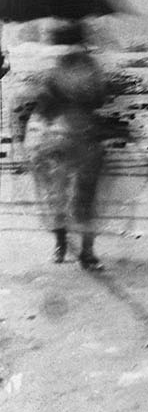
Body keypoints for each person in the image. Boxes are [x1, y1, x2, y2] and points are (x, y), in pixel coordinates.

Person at [20, 21, 112, 269]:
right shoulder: (90, 66)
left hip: (52, 138)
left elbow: (41, 103)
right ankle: (87, 252)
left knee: (56, 193)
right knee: (85, 194)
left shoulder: (52, 68)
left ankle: (61, 246)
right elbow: (100, 99)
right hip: (83, 135)